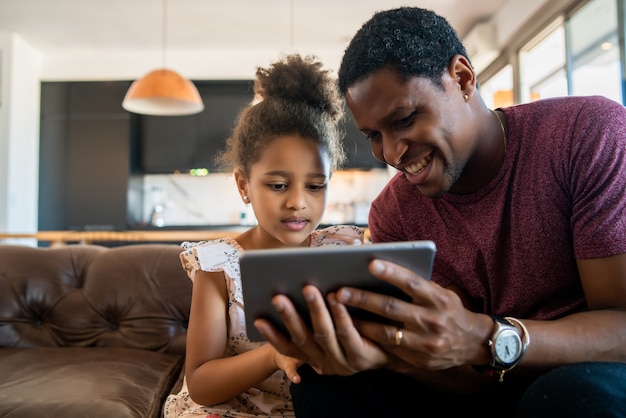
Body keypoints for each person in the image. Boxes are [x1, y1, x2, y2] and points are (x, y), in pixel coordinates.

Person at [253, 7, 626, 417]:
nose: (391, 154)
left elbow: (621, 328)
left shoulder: (587, 134)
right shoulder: (394, 212)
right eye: (374, 135)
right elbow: (466, 375)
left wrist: (488, 336)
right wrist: (389, 354)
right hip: (489, 386)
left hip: (588, 377)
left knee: (564, 395)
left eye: (405, 119)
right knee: (325, 380)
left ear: (462, 79)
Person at [162, 53, 365, 418]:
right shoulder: (219, 266)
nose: (298, 202)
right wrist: (273, 355)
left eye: (316, 186)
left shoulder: (344, 250)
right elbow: (202, 383)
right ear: (244, 185)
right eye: (277, 185)